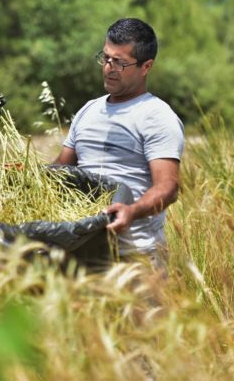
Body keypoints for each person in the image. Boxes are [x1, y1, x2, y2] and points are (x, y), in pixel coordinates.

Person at [54, 18, 184, 272]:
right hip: (82, 256)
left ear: (146, 67)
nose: (109, 68)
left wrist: (131, 211)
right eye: (105, 58)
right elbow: (61, 169)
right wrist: (26, 174)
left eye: (120, 62)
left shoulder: (156, 116)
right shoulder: (88, 111)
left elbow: (168, 188)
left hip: (136, 259)